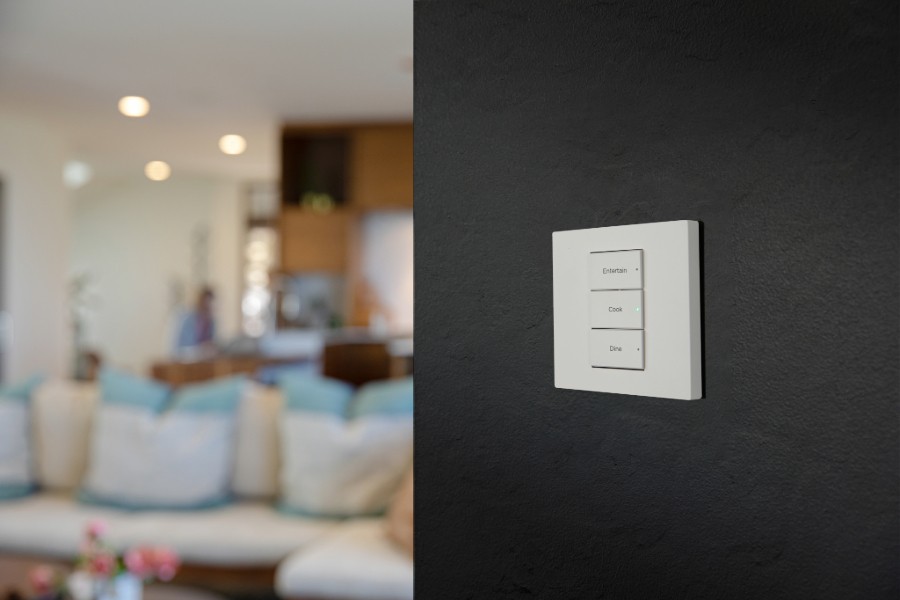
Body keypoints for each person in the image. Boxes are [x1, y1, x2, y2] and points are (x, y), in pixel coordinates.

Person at [174, 286, 217, 357]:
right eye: (206, 303)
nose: (209, 307)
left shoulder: (211, 322)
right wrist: (201, 350)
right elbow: (178, 351)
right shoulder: (186, 320)